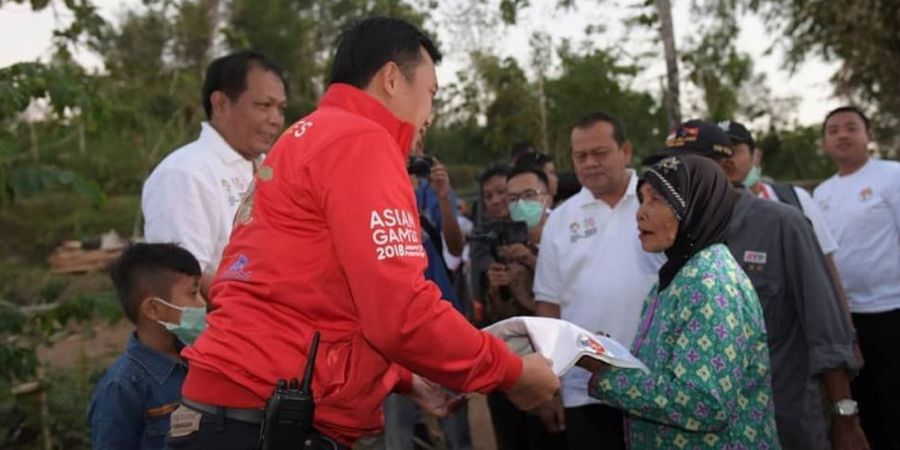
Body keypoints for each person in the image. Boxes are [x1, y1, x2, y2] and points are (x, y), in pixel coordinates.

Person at [167, 17, 559, 449]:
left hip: (237, 407)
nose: (430, 115)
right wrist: (512, 373)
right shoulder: (362, 141)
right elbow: (401, 313)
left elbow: (312, 299)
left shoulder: (304, 136)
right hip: (266, 419)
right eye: (430, 94)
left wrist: (403, 378)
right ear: (392, 79)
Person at [656, 120, 866, 450]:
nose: (678, 179)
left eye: (691, 167)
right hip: (707, 433)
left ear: (725, 168)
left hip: (785, 421)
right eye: (671, 169)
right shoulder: (674, 241)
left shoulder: (783, 225)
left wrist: (845, 418)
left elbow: (826, 332)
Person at [577, 154, 779, 449]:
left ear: (696, 206)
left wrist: (608, 375)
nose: (640, 213)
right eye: (642, 199)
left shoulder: (711, 282)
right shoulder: (680, 274)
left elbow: (704, 404)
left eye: (656, 199)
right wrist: (612, 356)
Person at [533, 112, 662, 450]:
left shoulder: (662, 207)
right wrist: (549, 385)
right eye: (580, 156)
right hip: (586, 390)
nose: (589, 163)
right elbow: (548, 305)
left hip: (660, 388)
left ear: (626, 151)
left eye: (600, 153)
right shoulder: (560, 221)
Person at [142, 50, 287, 299]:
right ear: (220, 104)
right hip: (222, 333)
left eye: (281, 109)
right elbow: (181, 280)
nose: (275, 119)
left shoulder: (275, 171)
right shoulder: (184, 173)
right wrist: (266, 306)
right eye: (264, 106)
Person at [815, 106, 900, 449]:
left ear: (868, 136)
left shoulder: (891, 176)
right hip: (847, 319)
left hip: (892, 309)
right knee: (860, 402)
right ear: (825, 142)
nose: (842, 135)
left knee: (894, 397)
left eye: (851, 128)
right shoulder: (821, 193)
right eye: (833, 130)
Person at [383, 147, 472, 450]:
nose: (412, 159)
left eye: (417, 156)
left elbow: (456, 247)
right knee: (398, 425)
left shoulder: (433, 192)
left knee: (455, 420)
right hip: (396, 326)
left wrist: (444, 196)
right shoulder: (376, 185)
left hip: (441, 319)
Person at [88, 243, 206, 450]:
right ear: (153, 309)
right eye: (193, 294)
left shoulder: (200, 359)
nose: (202, 304)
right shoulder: (122, 387)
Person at [484, 166, 566, 450]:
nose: (521, 204)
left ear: (548, 197)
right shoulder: (505, 247)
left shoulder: (567, 240)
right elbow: (500, 319)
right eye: (513, 197)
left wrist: (532, 261)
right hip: (518, 376)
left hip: (564, 377)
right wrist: (498, 289)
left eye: (529, 195)